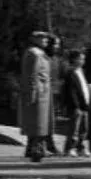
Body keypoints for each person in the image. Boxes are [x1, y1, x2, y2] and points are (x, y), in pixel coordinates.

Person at [19, 31, 53, 162]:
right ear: (35, 39)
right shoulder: (35, 54)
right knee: (39, 123)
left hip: (41, 91)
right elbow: (33, 74)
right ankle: (37, 150)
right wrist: (33, 90)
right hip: (40, 92)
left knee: (37, 122)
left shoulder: (34, 52)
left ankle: (32, 148)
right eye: (42, 38)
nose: (45, 40)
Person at [62, 49, 91, 157]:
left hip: (84, 105)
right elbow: (71, 91)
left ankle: (81, 147)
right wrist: (75, 105)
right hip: (76, 106)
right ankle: (70, 148)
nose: (83, 61)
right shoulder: (71, 72)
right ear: (74, 60)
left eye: (83, 59)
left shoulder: (81, 71)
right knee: (74, 128)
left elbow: (84, 88)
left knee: (84, 129)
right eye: (80, 59)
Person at [43, 35, 65, 156]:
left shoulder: (56, 59)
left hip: (54, 93)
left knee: (51, 122)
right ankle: (45, 144)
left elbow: (61, 76)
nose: (57, 47)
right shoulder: (44, 57)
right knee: (44, 121)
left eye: (58, 44)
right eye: (55, 44)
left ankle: (50, 144)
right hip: (45, 93)